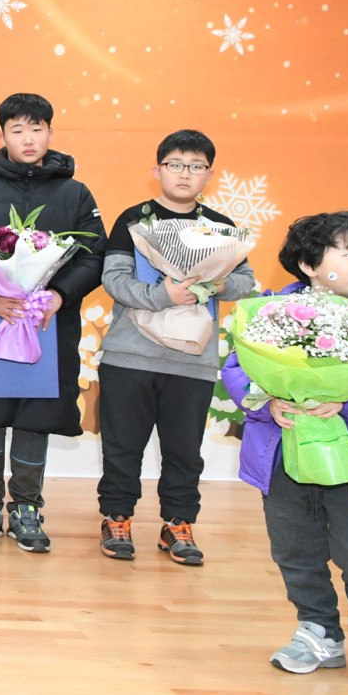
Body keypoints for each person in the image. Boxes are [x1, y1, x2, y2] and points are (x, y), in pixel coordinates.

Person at [223, 212, 348, 690]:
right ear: (308, 264)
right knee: (294, 548)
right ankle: (318, 631)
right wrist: (268, 402)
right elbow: (238, 368)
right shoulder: (270, 313)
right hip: (283, 457)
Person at [0, 92, 105, 552]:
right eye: (17, 130)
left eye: (36, 129)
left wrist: (59, 295)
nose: (28, 138)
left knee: (37, 411)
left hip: (47, 323)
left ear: (50, 133)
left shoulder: (75, 193)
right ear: (1, 135)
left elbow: (94, 256)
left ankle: (27, 507)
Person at [95, 129, 255, 564]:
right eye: (176, 165)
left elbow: (245, 281)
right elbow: (114, 280)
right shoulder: (134, 220)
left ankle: (178, 525)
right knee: (122, 447)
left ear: (210, 175)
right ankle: (117, 518)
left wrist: (216, 284)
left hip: (192, 359)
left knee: (184, 451)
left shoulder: (220, 227)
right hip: (130, 356)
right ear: (158, 170)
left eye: (196, 166)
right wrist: (165, 295)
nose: (186, 173)